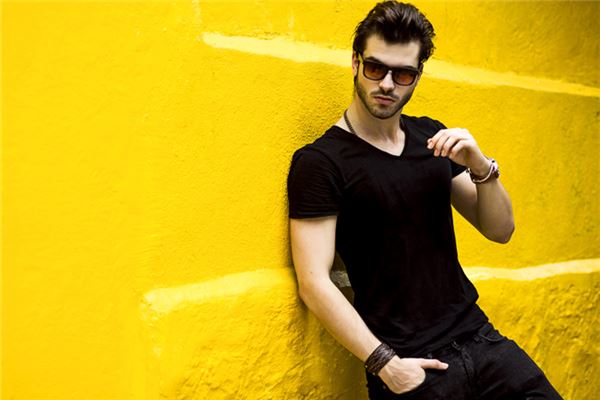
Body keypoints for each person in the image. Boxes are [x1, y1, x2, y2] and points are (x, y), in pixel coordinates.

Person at [287, 1, 562, 399]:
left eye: (402, 74)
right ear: (355, 62)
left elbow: (500, 230)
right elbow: (313, 282)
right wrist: (387, 365)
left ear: (417, 76)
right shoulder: (321, 162)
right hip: (412, 365)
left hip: (481, 342)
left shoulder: (431, 139)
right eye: (375, 68)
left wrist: (480, 165)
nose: (387, 84)